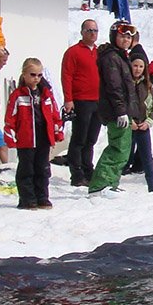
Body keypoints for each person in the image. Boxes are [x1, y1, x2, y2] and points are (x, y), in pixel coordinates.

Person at [88, 21, 142, 197]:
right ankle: (99, 185)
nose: (126, 39)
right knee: (117, 148)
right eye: (122, 36)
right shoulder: (111, 58)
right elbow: (114, 87)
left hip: (123, 110)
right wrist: (121, 111)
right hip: (116, 111)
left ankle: (111, 182)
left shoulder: (121, 56)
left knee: (124, 149)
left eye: (129, 36)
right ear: (114, 37)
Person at [3, 58, 63, 210]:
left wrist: (57, 130)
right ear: (24, 75)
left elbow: (54, 114)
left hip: (43, 138)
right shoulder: (17, 95)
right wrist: (10, 136)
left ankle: (42, 197)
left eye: (39, 75)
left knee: (43, 169)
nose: (36, 78)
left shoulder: (46, 94)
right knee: (26, 170)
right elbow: (10, 117)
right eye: (32, 74)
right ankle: (27, 199)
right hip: (26, 139)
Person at [62, 19, 101, 187]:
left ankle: (87, 169)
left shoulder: (100, 52)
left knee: (91, 139)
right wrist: (68, 99)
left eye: (95, 30)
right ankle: (76, 173)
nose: (92, 33)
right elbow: (67, 76)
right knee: (79, 138)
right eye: (89, 30)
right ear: (82, 32)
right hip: (81, 100)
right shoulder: (73, 52)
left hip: (98, 101)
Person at [128, 53, 153, 193]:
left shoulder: (147, 86)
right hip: (128, 126)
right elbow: (121, 105)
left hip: (143, 127)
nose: (137, 69)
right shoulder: (125, 84)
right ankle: (112, 183)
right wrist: (129, 121)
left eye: (141, 66)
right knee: (123, 157)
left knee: (147, 158)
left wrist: (148, 122)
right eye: (135, 65)